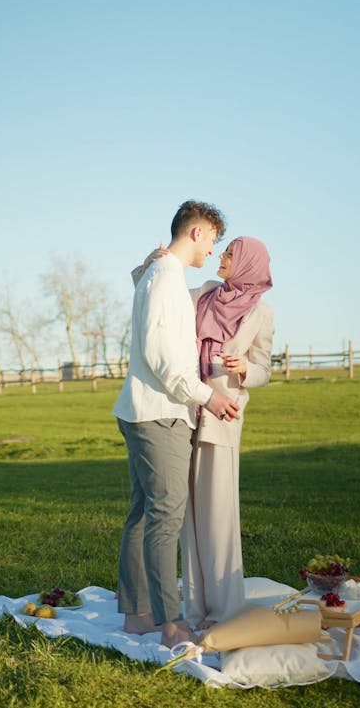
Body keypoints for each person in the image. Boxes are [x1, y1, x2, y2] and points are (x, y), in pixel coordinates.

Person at [113, 201, 240, 649]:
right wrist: (210, 396)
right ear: (199, 232)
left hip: (142, 410)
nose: (213, 250)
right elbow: (164, 358)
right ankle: (170, 623)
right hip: (160, 414)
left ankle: (137, 615)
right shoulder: (166, 278)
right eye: (214, 240)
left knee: (144, 514)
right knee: (166, 517)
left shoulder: (159, 273)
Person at [182, 236, 274, 627]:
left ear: (247, 264)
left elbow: (264, 370)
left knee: (217, 514)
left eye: (231, 254)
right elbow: (159, 300)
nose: (222, 257)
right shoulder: (202, 293)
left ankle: (223, 608)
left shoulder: (261, 313)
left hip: (223, 417)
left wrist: (243, 369)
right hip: (185, 410)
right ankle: (194, 607)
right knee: (189, 519)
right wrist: (152, 266)